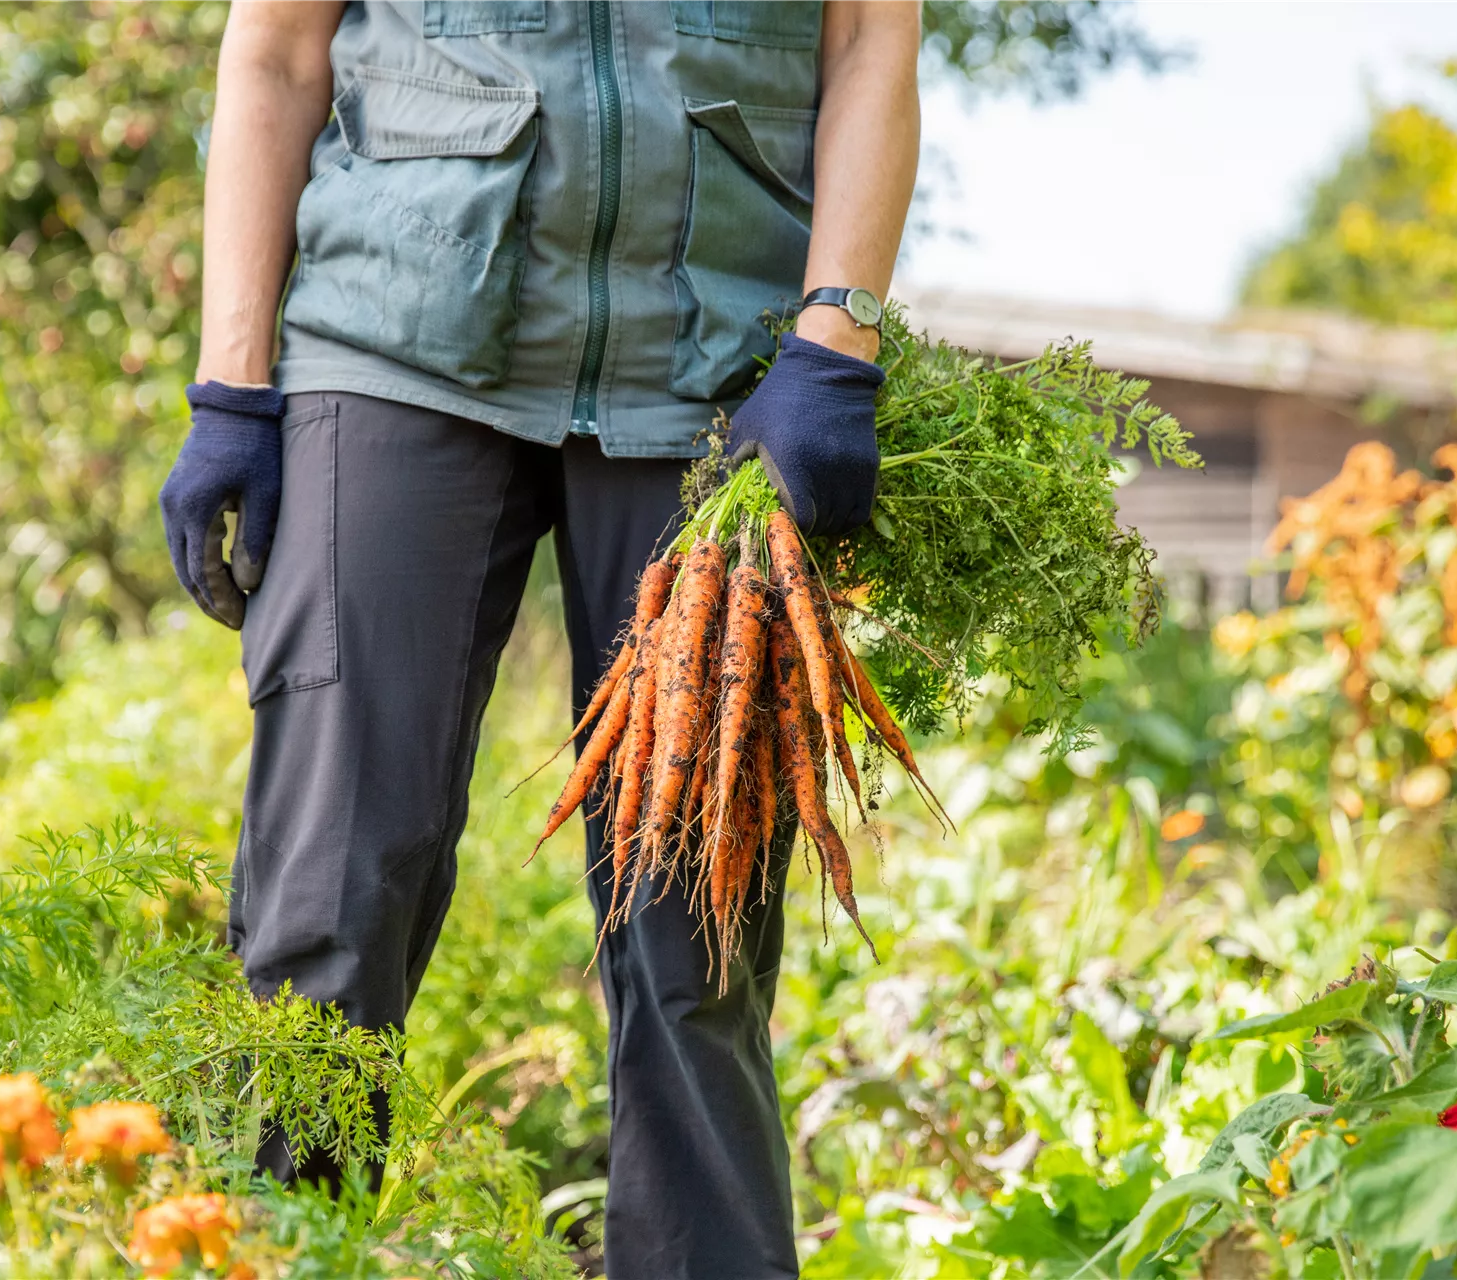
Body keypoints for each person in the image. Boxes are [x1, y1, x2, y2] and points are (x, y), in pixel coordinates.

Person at [158, 1, 919, 1274]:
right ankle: (271, 1252)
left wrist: (836, 337)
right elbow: (279, 46)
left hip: (713, 367)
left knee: (698, 940)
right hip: (392, 336)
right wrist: (234, 386)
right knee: (328, 896)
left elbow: (868, 40)